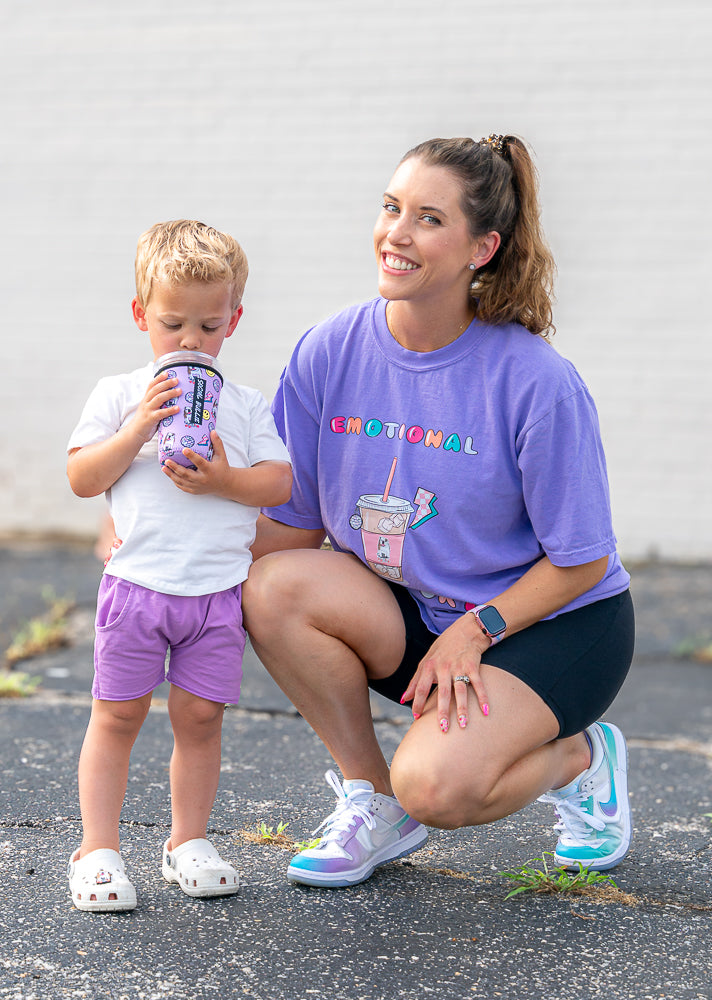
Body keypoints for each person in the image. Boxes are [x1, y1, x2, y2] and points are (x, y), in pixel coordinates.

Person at [243, 134, 635, 889]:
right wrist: (163, 540)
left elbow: (582, 556)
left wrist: (474, 629)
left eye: (427, 219)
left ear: (480, 248)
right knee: (272, 586)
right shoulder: (329, 351)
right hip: (419, 616)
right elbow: (288, 533)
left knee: (442, 787)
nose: (396, 232)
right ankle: (373, 798)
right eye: (391, 208)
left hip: (551, 626)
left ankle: (582, 758)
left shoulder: (536, 382)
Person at [66, 219, 292, 910]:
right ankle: (97, 848)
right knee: (118, 714)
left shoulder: (245, 405)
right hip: (137, 590)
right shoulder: (116, 393)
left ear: (234, 321)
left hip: (214, 596)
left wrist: (226, 481)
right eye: (172, 324)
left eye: (209, 325)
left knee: (200, 720)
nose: (191, 341)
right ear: (141, 316)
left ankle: (186, 840)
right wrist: (137, 428)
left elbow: (279, 484)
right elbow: (80, 476)